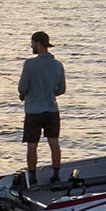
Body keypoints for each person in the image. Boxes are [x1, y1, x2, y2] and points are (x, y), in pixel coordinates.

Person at [17, 30, 66, 187]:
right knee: (54, 143)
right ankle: (56, 176)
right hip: (52, 111)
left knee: (32, 145)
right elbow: (61, 90)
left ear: (37, 44)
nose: (31, 46)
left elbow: (22, 88)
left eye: (32, 43)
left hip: (33, 112)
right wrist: (49, 93)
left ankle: (32, 178)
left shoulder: (30, 64)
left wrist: (23, 95)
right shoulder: (58, 65)